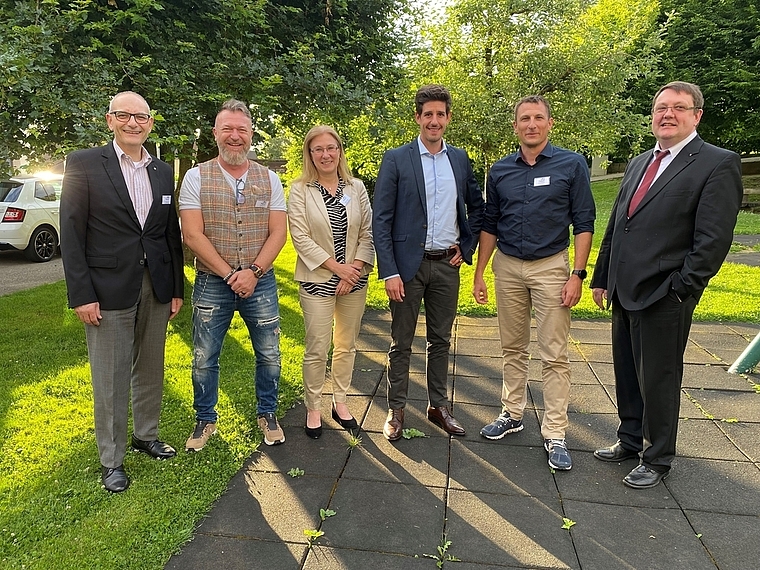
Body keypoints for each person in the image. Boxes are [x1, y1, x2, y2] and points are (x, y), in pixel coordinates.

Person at [590, 81, 743, 488]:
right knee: (627, 369)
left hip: (665, 294)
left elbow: (712, 241)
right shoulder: (641, 162)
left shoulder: (716, 163)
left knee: (658, 377)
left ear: (697, 115)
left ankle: (657, 457)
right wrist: (603, 276)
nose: (667, 114)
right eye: (661, 107)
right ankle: (629, 439)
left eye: (679, 107)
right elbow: (618, 224)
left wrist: (681, 287)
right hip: (625, 288)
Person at [60, 91, 184, 493]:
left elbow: (169, 234)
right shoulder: (83, 164)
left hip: (156, 286)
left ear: (150, 122)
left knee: (150, 365)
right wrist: (81, 295)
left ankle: (145, 435)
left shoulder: (163, 171)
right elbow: (72, 233)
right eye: (125, 116)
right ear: (110, 120)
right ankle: (111, 460)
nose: (134, 123)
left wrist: (176, 288)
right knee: (110, 376)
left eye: (142, 117)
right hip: (106, 288)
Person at [472, 95, 595, 471]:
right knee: (512, 347)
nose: (531, 124)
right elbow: (490, 223)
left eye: (538, 118)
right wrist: (479, 272)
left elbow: (584, 221)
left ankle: (555, 432)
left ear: (549, 123)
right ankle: (512, 413)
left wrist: (577, 274)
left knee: (554, 353)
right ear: (516, 126)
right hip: (508, 266)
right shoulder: (500, 170)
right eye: (524, 119)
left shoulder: (571, 164)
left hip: (551, 268)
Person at [373, 84, 484, 441]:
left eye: (440, 114)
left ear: (448, 118)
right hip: (407, 268)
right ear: (418, 117)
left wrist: (465, 247)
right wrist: (389, 270)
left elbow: (477, 208)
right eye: (428, 114)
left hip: (446, 267)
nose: (434, 121)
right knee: (400, 342)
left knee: (440, 341)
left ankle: (438, 406)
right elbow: (382, 220)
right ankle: (397, 409)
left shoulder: (460, 159)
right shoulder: (397, 159)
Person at [179, 99, 287, 450]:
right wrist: (230, 275)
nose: (235, 136)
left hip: (262, 280)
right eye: (228, 129)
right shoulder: (196, 176)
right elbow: (193, 235)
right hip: (213, 281)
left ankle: (267, 413)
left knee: (269, 353)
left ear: (251, 134)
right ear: (216, 133)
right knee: (204, 356)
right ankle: (204, 419)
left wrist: (254, 272)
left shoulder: (269, 178)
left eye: (242, 129)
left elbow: (278, 233)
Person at [288, 125, 375, 439]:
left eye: (331, 148)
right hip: (318, 280)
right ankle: (313, 406)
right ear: (310, 154)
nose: (325, 155)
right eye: (318, 149)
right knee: (317, 348)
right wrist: (339, 269)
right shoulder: (300, 190)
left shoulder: (357, 187)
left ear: (339, 151)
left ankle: (340, 401)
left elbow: (368, 231)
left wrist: (355, 269)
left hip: (354, 280)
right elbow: (300, 237)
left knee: (346, 346)